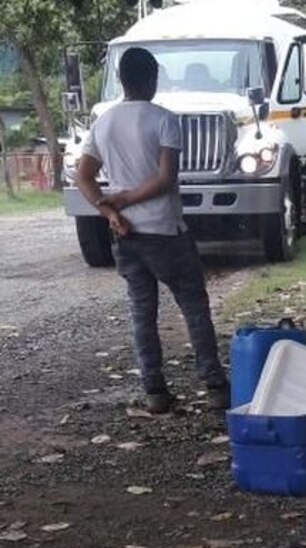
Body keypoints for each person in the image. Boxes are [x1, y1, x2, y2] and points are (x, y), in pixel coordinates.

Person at [75, 47, 229, 414]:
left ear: (121, 80)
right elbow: (165, 178)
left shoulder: (104, 123)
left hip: (127, 234)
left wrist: (108, 210)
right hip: (165, 230)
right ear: (152, 79)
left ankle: (155, 391)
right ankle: (215, 386)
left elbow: (82, 176)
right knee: (193, 305)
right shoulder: (164, 119)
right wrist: (123, 199)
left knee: (142, 311)